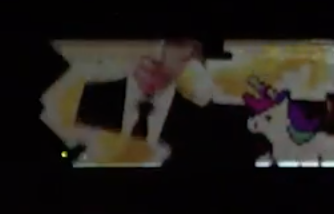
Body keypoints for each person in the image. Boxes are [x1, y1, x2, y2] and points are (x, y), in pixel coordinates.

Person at [40, 39, 215, 166]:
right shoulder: (92, 95)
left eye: (172, 43)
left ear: (191, 55)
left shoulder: (199, 123)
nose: (155, 55)